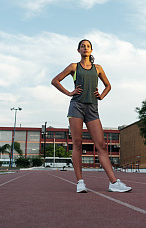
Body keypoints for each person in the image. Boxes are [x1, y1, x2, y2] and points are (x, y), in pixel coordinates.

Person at [51, 39, 132, 193]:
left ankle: (113, 183)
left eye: (88, 46)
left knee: (101, 145)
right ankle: (80, 182)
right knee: (77, 144)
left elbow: (108, 86)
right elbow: (55, 81)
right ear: (78, 50)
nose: (85, 48)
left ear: (91, 50)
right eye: (83, 46)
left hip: (93, 108)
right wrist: (69, 92)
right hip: (76, 106)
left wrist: (101, 95)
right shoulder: (74, 67)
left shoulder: (98, 68)